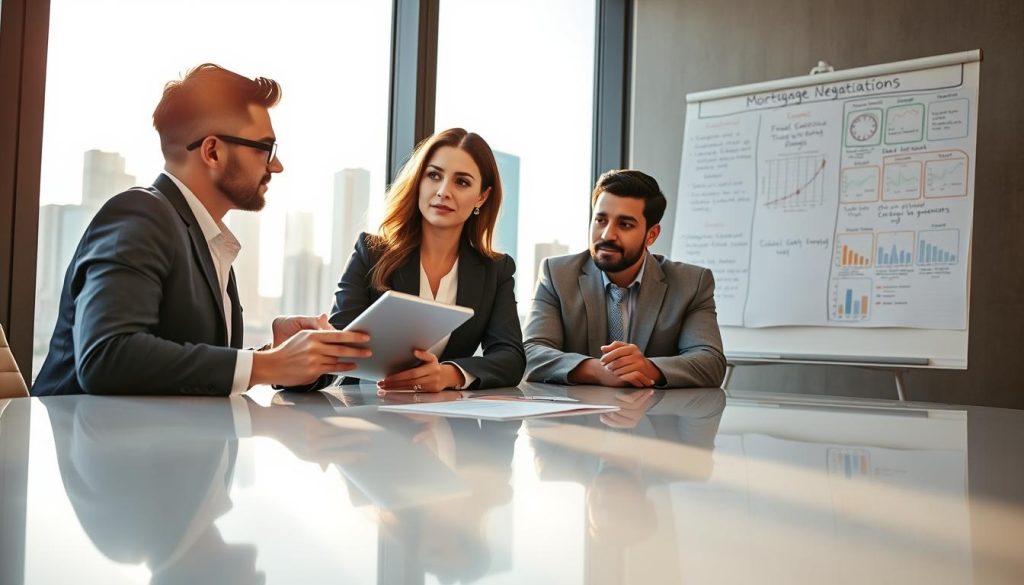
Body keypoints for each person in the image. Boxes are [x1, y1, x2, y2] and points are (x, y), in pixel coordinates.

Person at [32, 64, 369, 396]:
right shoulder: (138, 214)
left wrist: (272, 354)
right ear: (212, 151)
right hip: (86, 444)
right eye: (264, 148)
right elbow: (107, 356)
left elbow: (177, 368)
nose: (276, 165)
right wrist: (269, 366)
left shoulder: (206, 239)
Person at [308, 128, 525, 392]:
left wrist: (450, 375)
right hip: (366, 412)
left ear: (482, 196)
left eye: (462, 182)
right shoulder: (371, 252)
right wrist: (295, 370)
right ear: (419, 181)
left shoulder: (495, 270)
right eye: (434, 176)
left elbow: (510, 358)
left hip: (447, 422)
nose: (443, 191)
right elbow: (337, 346)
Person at [523, 169, 726, 388]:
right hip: (575, 419)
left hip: (657, 417)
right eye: (600, 220)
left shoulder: (691, 283)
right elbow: (530, 352)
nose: (607, 235)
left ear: (652, 234)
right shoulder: (557, 274)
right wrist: (597, 371)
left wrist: (648, 368)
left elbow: (711, 362)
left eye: (625, 224)